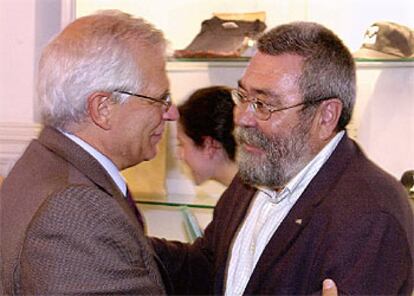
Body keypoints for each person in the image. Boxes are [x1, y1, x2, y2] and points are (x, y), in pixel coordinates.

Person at [152, 21, 414, 295]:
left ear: (325, 116)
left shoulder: (371, 215)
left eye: (264, 104)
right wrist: (125, 241)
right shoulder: (258, 172)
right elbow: (210, 266)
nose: (242, 118)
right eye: (242, 96)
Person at [0, 11, 178, 294]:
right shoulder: (75, 208)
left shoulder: (44, 163)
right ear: (103, 108)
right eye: (160, 99)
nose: (172, 113)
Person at [176, 86, 238, 187]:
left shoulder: (242, 199)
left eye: (181, 144)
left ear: (208, 146)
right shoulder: (239, 196)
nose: (179, 155)